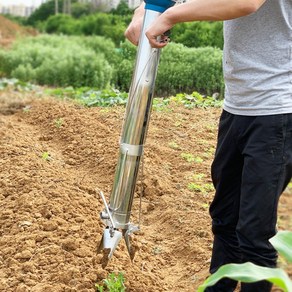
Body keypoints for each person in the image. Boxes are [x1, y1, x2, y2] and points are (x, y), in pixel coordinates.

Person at [125, 0, 292, 291]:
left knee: (255, 234)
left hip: (277, 110)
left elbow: (245, 2)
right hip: (238, 107)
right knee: (225, 221)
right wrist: (145, 9)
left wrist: (171, 15)